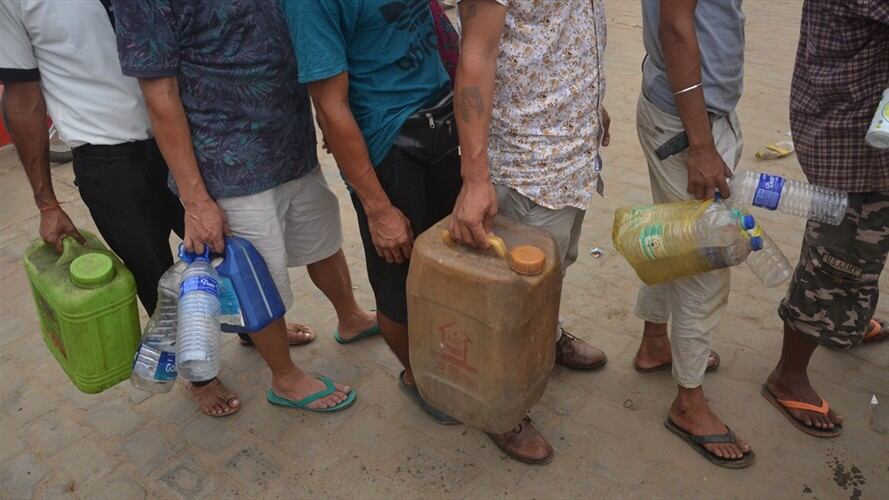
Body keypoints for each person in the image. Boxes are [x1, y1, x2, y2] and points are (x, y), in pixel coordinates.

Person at [114, 0, 377, 417]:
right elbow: (159, 96)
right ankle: (286, 379)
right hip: (228, 166)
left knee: (322, 241)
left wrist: (328, 121)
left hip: (292, 145)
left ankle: (352, 316)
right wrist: (195, 199)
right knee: (256, 279)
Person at [281, 0, 462, 423]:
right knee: (399, 279)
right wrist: (378, 208)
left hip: (443, 118)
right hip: (390, 150)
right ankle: (417, 377)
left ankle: (453, 357)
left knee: (455, 262)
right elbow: (329, 106)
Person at [449, 0, 610, 464]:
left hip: (571, 156)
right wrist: (476, 180)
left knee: (553, 271)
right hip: (525, 159)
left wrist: (588, 102)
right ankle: (501, 406)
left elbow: (566, 28)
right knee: (511, 295)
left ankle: (547, 336)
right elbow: (476, 54)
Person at [629, 0, 753, 467]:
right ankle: (689, 401)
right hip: (689, 125)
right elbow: (677, 29)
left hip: (689, 112)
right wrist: (702, 145)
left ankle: (656, 342)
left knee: (672, 239)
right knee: (706, 263)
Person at [0, 0, 183, 315]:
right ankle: (185, 356)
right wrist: (47, 204)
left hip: (188, 136)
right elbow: (23, 97)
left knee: (231, 252)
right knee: (157, 283)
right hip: (110, 164)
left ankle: (259, 332)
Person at [762, 0, 889, 438]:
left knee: (864, 249)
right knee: (838, 258)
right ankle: (788, 376)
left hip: (866, 126)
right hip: (852, 139)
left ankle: (848, 318)